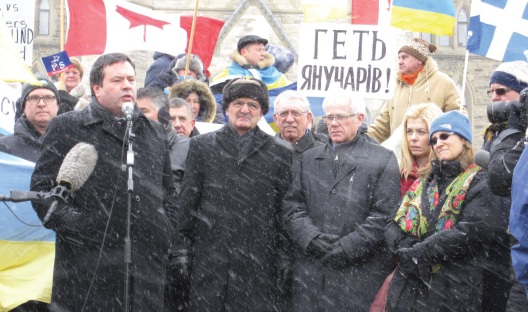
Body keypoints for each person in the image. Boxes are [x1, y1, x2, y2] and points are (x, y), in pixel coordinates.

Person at [30, 53, 176, 311]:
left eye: (131, 79)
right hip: (87, 266)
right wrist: (83, 227)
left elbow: (168, 194)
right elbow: (42, 193)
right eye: (117, 80)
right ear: (97, 88)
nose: (127, 85)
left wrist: (163, 229)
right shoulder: (68, 126)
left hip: (145, 268)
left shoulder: (153, 131)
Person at [175, 77, 293, 311]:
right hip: (209, 260)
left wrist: (284, 255)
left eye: (253, 105)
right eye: (238, 103)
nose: (245, 110)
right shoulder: (202, 147)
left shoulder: (280, 153)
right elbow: (187, 204)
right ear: (226, 108)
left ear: (262, 113)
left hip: (259, 264)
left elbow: (285, 211)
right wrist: (181, 250)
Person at [282, 93, 400, 311]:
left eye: (341, 117)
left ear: (359, 118)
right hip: (312, 274)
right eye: (329, 118)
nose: (333, 124)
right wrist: (312, 238)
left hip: (358, 274)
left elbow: (384, 215)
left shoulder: (383, 159)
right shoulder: (308, 159)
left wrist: (348, 246)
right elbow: (293, 207)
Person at [384, 110, 502, 311]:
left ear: (464, 140)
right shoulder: (424, 182)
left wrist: (422, 251)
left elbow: (473, 231)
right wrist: (407, 248)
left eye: (445, 136)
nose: (439, 143)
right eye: (434, 140)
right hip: (410, 289)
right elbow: (393, 223)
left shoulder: (480, 180)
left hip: (453, 289)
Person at [484, 61, 528, 312]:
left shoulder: (517, 134)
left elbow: (501, 177)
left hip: (516, 247)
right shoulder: (494, 133)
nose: (494, 98)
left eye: (501, 91)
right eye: (490, 92)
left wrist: (515, 129)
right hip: (495, 245)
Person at [368, 38, 461, 144]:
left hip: (431, 155)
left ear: (419, 60)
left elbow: (457, 120)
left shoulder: (444, 83)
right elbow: (382, 126)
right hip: (400, 156)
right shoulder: (396, 86)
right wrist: (360, 140)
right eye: (399, 58)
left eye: (404, 57)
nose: (400, 62)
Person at [0, 76, 60, 162]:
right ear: (23, 107)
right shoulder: (4, 147)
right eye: (34, 98)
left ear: (57, 105)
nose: (41, 104)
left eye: (48, 98)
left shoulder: (71, 145)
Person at [209, 35, 291, 95]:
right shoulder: (225, 77)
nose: (263, 54)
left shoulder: (279, 77)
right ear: (244, 52)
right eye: (259, 50)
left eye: (263, 50)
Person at [399, 103, 443, 196]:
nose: (413, 138)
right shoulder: (398, 172)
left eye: (421, 132)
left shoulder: (444, 172)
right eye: (409, 131)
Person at [273, 90, 326, 156]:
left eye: (296, 113)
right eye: (284, 113)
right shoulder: (263, 152)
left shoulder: (326, 154)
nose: (289, 119)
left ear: (308, 118)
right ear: (276, 119)